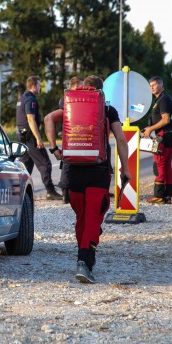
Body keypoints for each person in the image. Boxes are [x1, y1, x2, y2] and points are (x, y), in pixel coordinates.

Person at [45, 75, 130, 284]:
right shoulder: (108, 110)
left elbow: (48, 119)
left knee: (82, 218)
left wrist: (55, 148)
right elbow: (120, 139)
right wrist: (125, 169)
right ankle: (84, 262)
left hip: (74, 171)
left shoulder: (70, 106)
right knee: (93, 217)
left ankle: (83, 255)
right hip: (98, 171)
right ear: (101, 92)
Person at [16, 76, 62, 200]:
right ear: (34, 86)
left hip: (22, 135)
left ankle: (19, 192)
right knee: (45, 163)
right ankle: (50, 191)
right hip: (30, 136)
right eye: (40, 85)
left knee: (26, 165)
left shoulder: (22, 98)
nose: (40, 87)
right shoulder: (30, 99)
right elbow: (30, 119)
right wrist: (38, 138)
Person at [142, 76, 172, 204]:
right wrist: (150, 128)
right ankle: (167, 195)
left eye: (154, 85)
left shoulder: (163, 99)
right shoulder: (162, 99)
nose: (152, 87)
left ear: (161, 85)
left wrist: (151, 129)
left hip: (165, 135)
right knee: (166, 165)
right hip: (169, 133)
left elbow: (165, 119)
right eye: (150, 85)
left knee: (160, 164)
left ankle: (159, 195)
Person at [55, 76, 82, 204]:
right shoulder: (66, 99)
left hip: (79, 133)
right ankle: (65, 191)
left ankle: (71, 190)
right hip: (70, 135)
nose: (82, 90)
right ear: (73, 87)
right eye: (79, 87)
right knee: (67, 162)